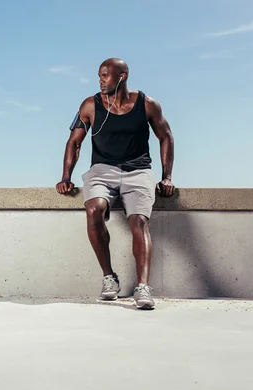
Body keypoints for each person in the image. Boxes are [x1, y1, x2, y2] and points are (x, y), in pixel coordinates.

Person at [56, 58, 175, 310]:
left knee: (139, 221)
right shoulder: (90, 105)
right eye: (99, 76)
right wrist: (66, 177)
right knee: (93, 210)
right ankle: (109, 277)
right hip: (102, 170)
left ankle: (142, 287)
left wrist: (167, 177)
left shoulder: (147, 104)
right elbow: (74, 142)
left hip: (138, 171)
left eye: (105, 76)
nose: (100, 80)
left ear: (121, 77)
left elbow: (166, 136)